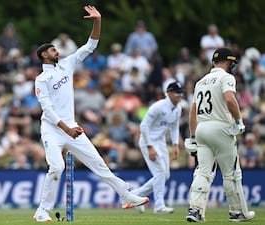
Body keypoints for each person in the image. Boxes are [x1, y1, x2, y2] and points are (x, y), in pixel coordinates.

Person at [32, 6, 149, 222]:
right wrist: (67, 129)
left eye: (57, 49)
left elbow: (91, 45)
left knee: (99, 164)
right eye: (53, 50)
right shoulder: (41, 79)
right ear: (43, 55)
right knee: (57, 166)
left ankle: (126, 195)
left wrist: (98, 20)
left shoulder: (66, 65)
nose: (57, 52)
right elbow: (47, 111)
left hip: (71, 127)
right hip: (53, 129)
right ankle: (42, 210)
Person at [185, 48, 255, 222]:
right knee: (231, 173)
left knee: (203, 172)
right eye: (232, 63)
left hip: (201, 129)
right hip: (220, 128)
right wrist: (239, 121)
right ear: (227, 62)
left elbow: (193, 112)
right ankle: (237, 212)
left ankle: (195, 210)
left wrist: (193, 137)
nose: (233, 66)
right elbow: (230, 99)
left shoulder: (200, 81)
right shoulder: (227, 77)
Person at [132, 81, 182, 214]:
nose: (179, 97)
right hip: (147, 141)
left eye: (181, 94)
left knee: (165, 175)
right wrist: (149, 147)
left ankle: (135, 196)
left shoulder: (178, 108)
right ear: (169, 93)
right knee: (160, 172)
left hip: (160, 142)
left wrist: (176, 144)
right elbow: (143, 126)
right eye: (177, 94)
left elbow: (174, 127)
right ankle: (159, 206)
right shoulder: (158, 107)